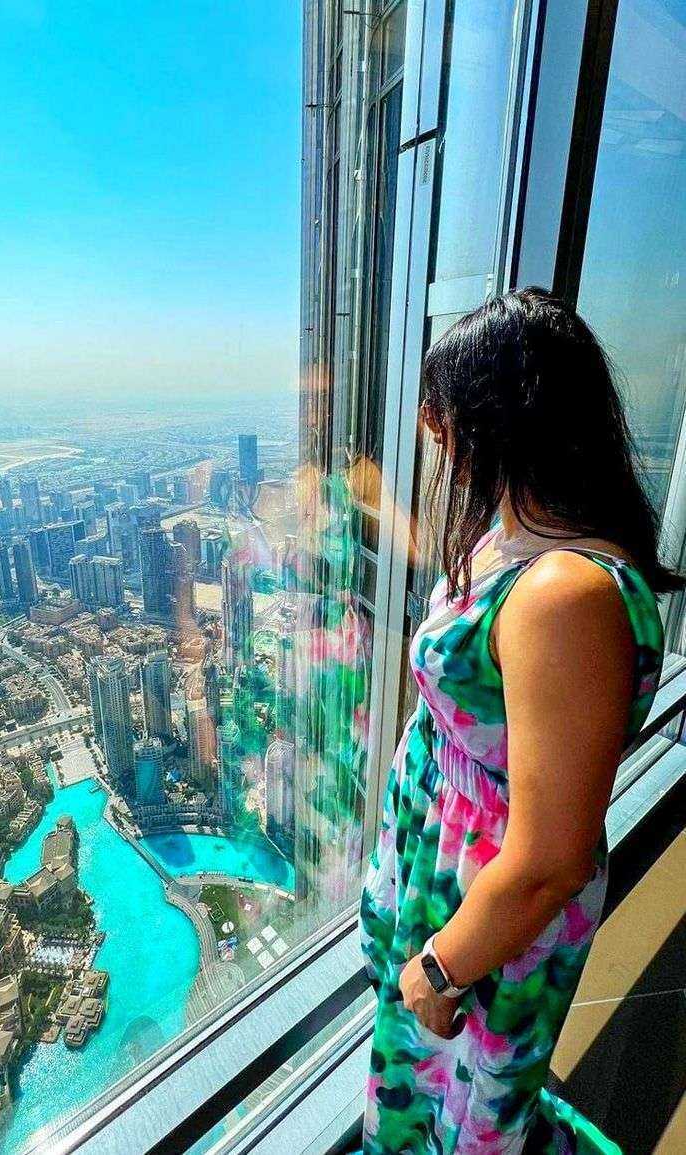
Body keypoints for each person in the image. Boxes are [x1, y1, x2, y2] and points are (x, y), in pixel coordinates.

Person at [359, 288, 678, 1154]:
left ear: (505, 414)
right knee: (432, 1099)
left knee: (469, 1122)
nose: (433, 429)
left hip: (488, 906)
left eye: (447, 409)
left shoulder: (563, 596)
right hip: (451, 879)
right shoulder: (520, 542)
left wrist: (440, 964)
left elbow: (547, 858)